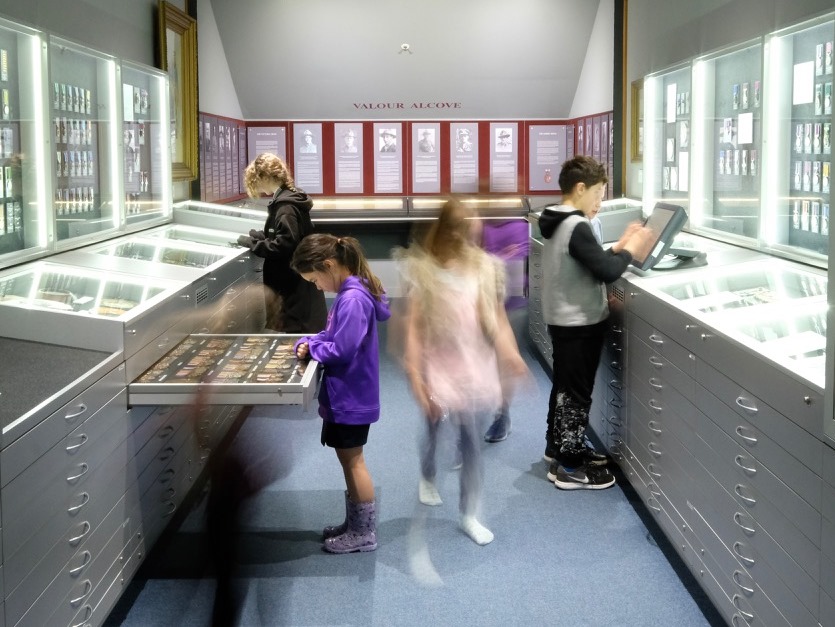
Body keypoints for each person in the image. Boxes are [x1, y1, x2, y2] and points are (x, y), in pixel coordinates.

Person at [397, 200, 527, 545]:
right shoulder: (424, 273)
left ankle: (469, 514)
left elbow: (498, 319)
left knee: (471, 442)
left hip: (474, 367)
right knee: (434, 426)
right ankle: (428, 474)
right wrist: (415, 374)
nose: (467, 235)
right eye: (461, 228)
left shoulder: (485, 268)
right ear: (447, 231)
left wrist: (510, 353)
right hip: (438, 367)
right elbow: (414, 329)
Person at [540, 155, 654, 490]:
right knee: (577, 395)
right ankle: (571, 468)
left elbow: (587, 260)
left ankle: (559, 448)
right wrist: (631, 251)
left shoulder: (558, 219)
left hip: (563, 321)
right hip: (578, 324)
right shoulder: (576, 225)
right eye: (597, 194)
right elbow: (606, 272)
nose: (599, 203)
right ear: (580, 188)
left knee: (565, 389)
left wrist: (618, 246)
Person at [292, 234, 391, 553]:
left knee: (353, 461)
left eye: (314, 280)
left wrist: (314, 349)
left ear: (329, 265)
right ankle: (355, 524)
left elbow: (342, 349)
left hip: (352, 397)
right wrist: (311, 341)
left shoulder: (352, 299)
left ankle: (364, 533)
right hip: (349, 394)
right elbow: (334, 335)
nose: (317, 287)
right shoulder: (353, 292)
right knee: (348, 459)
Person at [239, 153, 327, 333]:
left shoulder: (285, 207)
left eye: (257, 180)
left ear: (265, 176)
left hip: (291, 287)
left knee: (293, 333)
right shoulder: (290, 199)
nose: (258, 186)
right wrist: (263, 237)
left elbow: (285, 245)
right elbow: (288, 236)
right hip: (298, 286)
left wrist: (253, 244)